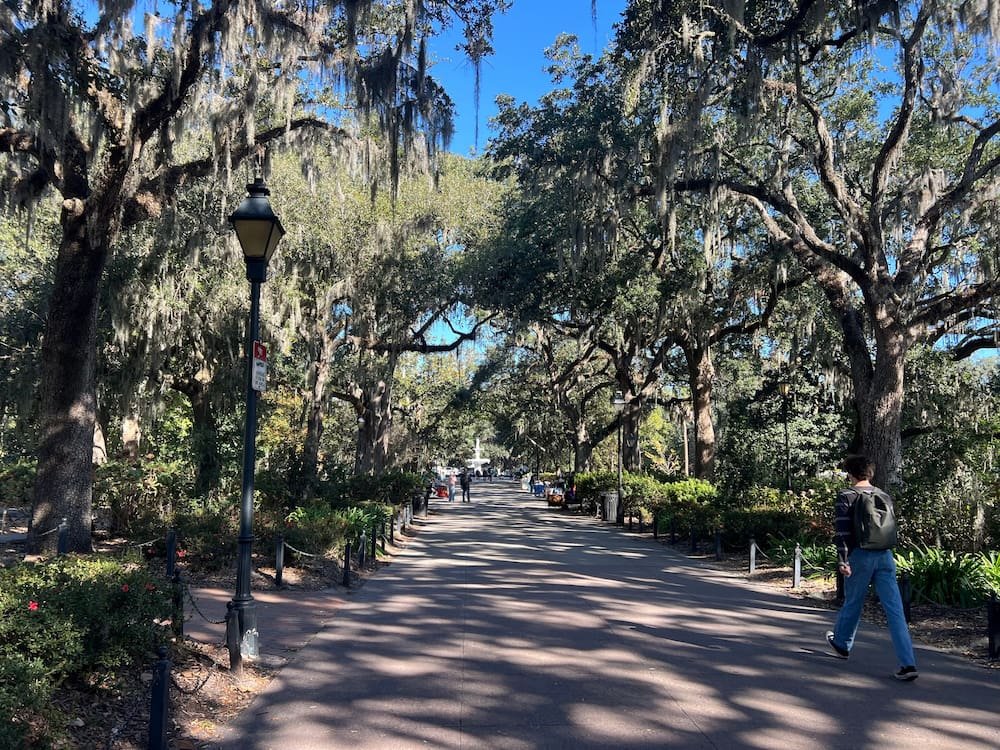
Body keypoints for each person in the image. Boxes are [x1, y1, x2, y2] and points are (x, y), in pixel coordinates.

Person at [826, 454, 918, 681]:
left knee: (853, 602)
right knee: (895, 611)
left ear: (850, 473)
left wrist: (842, 560)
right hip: (885, 556)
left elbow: (843, 533)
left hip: (860, 556)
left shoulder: (846, 495)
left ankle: (841, 643)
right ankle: (908, 664)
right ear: (869, 473)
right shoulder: (883, 495)